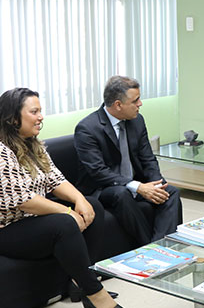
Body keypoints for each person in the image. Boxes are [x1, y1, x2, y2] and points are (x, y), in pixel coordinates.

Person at [0, 88, 121, 308]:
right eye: (34, 112)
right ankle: (96, 296)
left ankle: (79, 282)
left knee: (93, 206)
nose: (41, 117)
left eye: (40, 111)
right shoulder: (1, 150)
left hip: (31, 217)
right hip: (8, 227)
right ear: (13, 118)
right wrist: (66, 211)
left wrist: (80, 200)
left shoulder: (32, 142)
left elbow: (55, 179)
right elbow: (23, 200)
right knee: (65, 223)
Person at [74, 76, 182, 246]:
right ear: (118, 105)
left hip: (133, 182)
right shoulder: (87, 128)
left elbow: (148, 159)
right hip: (102, 188)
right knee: (121, 193)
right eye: (135, 100)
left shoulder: (137, 121)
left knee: (171, 192)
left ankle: (163, 246)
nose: (140, 104)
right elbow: (98, 171)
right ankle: (149, 247)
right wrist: (138, 186)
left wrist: (157, 184)